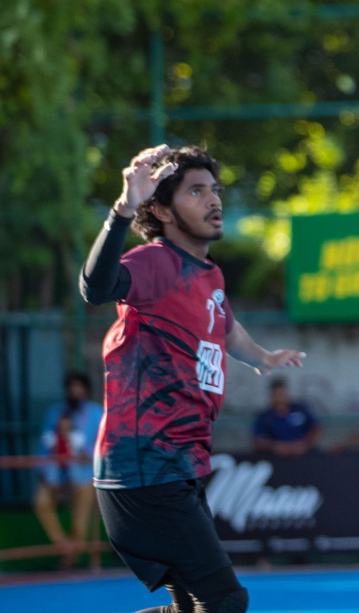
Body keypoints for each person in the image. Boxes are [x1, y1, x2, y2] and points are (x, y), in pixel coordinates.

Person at [81, 144, 305, 613]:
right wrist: (123, 209)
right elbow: (95, 287)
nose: (214, 200)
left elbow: (225, 326)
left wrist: (262, 357)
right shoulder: (155, 261)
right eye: (197, 191)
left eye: (215, 190)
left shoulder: (209, 275)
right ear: (161, 209)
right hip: (145, 467)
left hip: (179, 464)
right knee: (224, 602)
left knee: (193, 608)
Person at [33, 372, 104, 569]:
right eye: (72, 387)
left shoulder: (96, 413)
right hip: (55, 474)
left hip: (83, 474)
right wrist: (44, 472)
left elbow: (102, 441)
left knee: (80, 521)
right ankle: (65, 547)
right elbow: (45, 443)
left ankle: (69, 560)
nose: (75, 391)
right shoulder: (56, 412)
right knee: (42, 503)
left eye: (79, 386)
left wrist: (87, 454)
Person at [251, 378, 322, 456]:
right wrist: (275, 446)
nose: (279, 399)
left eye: (281, 394)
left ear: (286, 393)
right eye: (276, 395)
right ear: (271, 396)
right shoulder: (264, 417)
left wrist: (305, 444)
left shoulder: (300, 409)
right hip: (276, 459)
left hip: (304, 456)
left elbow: (316, 429)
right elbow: (257, 439)